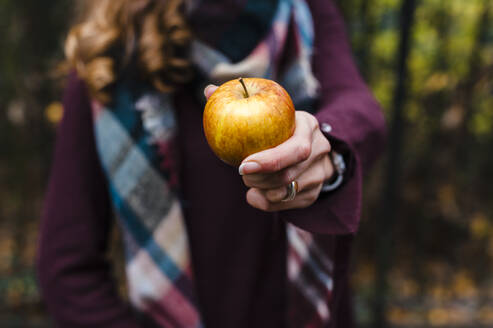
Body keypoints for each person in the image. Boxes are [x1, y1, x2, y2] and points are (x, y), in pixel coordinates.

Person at [36, 0, 386, 327]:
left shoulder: (303, 14)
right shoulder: (108, 50)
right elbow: (67, 269)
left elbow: (360, 110)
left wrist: (324, 146)